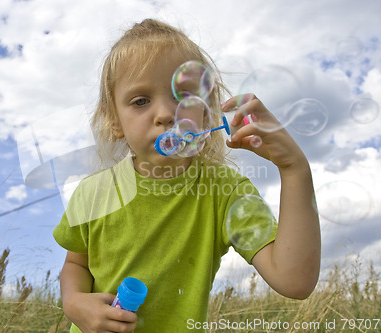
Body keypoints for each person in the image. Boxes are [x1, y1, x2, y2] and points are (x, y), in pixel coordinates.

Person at [53, 18, 321, 333]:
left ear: (207, 112)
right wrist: (73, 304)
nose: (166, 114)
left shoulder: (223, 191)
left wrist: (294, 170)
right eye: (141, 101)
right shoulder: (94, 191)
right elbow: (76, 264)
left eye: (183, 96)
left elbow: (295, 281)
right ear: (115, 121)